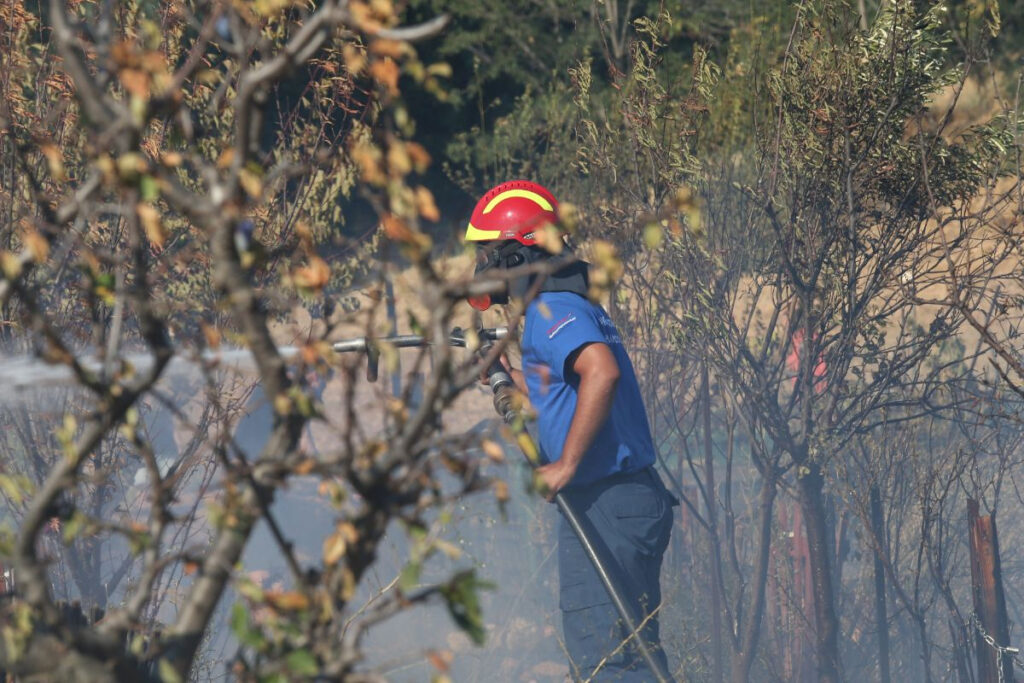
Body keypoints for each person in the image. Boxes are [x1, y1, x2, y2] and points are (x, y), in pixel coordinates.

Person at [466, 180, 677, 681]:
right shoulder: (569, 305)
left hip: (606, 499)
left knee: (609, 661)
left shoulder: (551, 309)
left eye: (486, 253)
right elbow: (564, 394)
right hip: (623, 500)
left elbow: (601, 373)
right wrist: (505, 377)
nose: (480, 268)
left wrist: (565, 466)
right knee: (632, 653)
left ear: (517, 255)